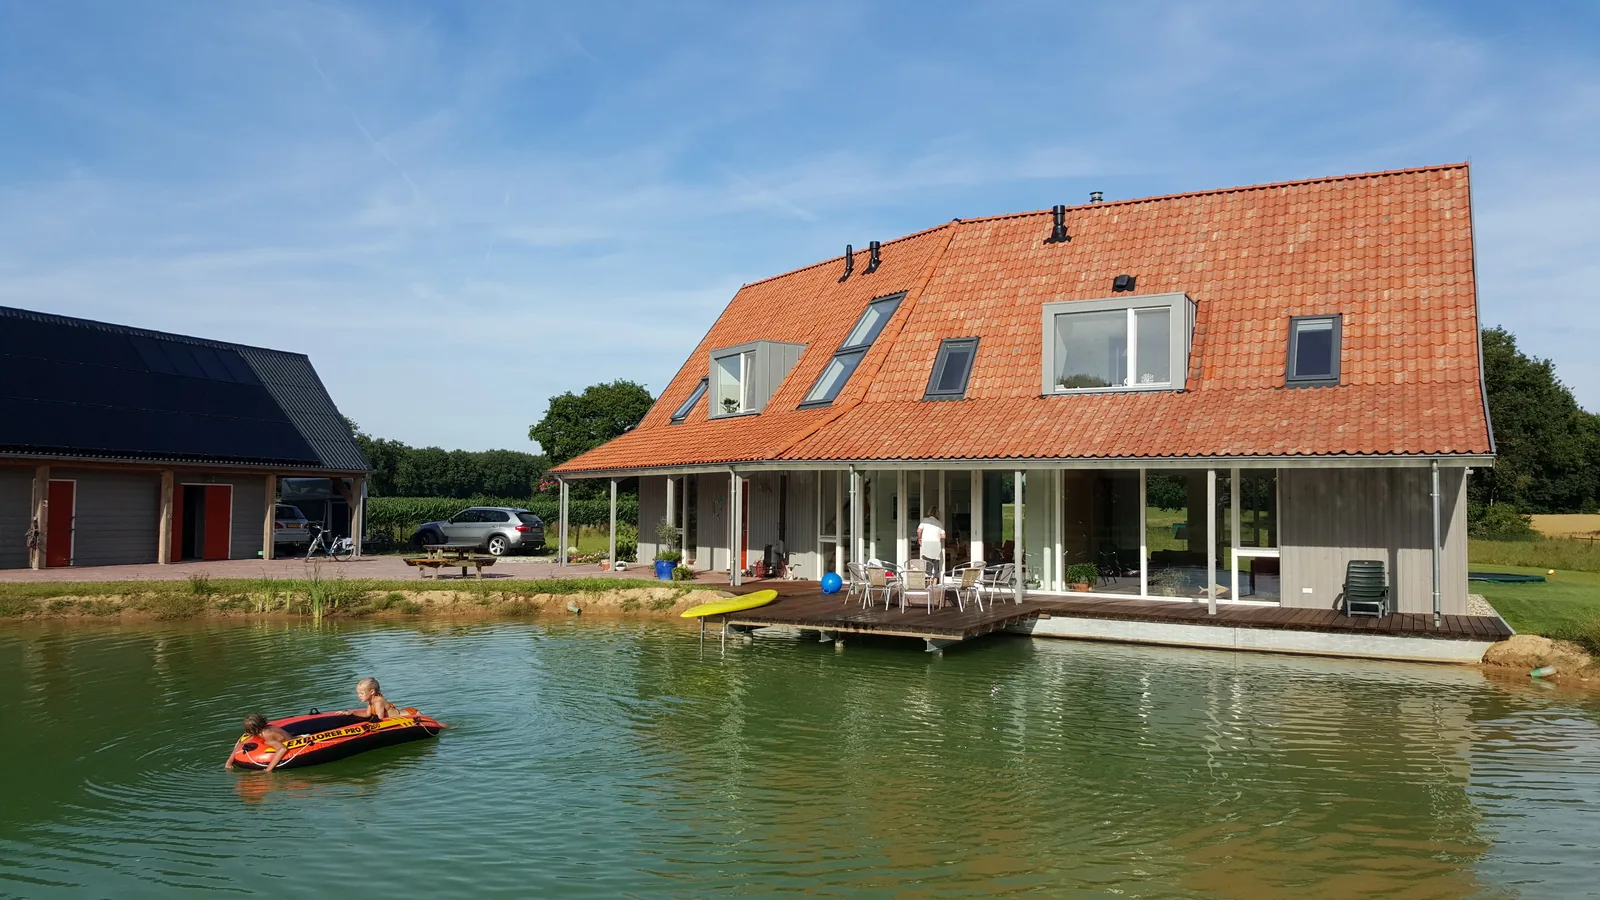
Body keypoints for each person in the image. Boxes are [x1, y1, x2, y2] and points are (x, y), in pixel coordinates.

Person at [226, 713, 291, 773]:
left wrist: (267, 770)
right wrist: (229, 761)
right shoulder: (263, 729)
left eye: (247, 729)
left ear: (254, 730)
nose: (245, 732)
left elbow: (282, 749)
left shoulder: (267, 735)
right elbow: (241, 743)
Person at [917, 507, 946, 582]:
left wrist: (920, 538)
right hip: (936, 547)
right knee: (936, 568)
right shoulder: (939, 523)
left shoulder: (925, 520)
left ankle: (928, 586)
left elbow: (919, 531)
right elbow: (943, 536)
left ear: (929, 512)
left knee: (928, 567)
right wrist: (937, 537)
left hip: (927, 546)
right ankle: (935, 585)